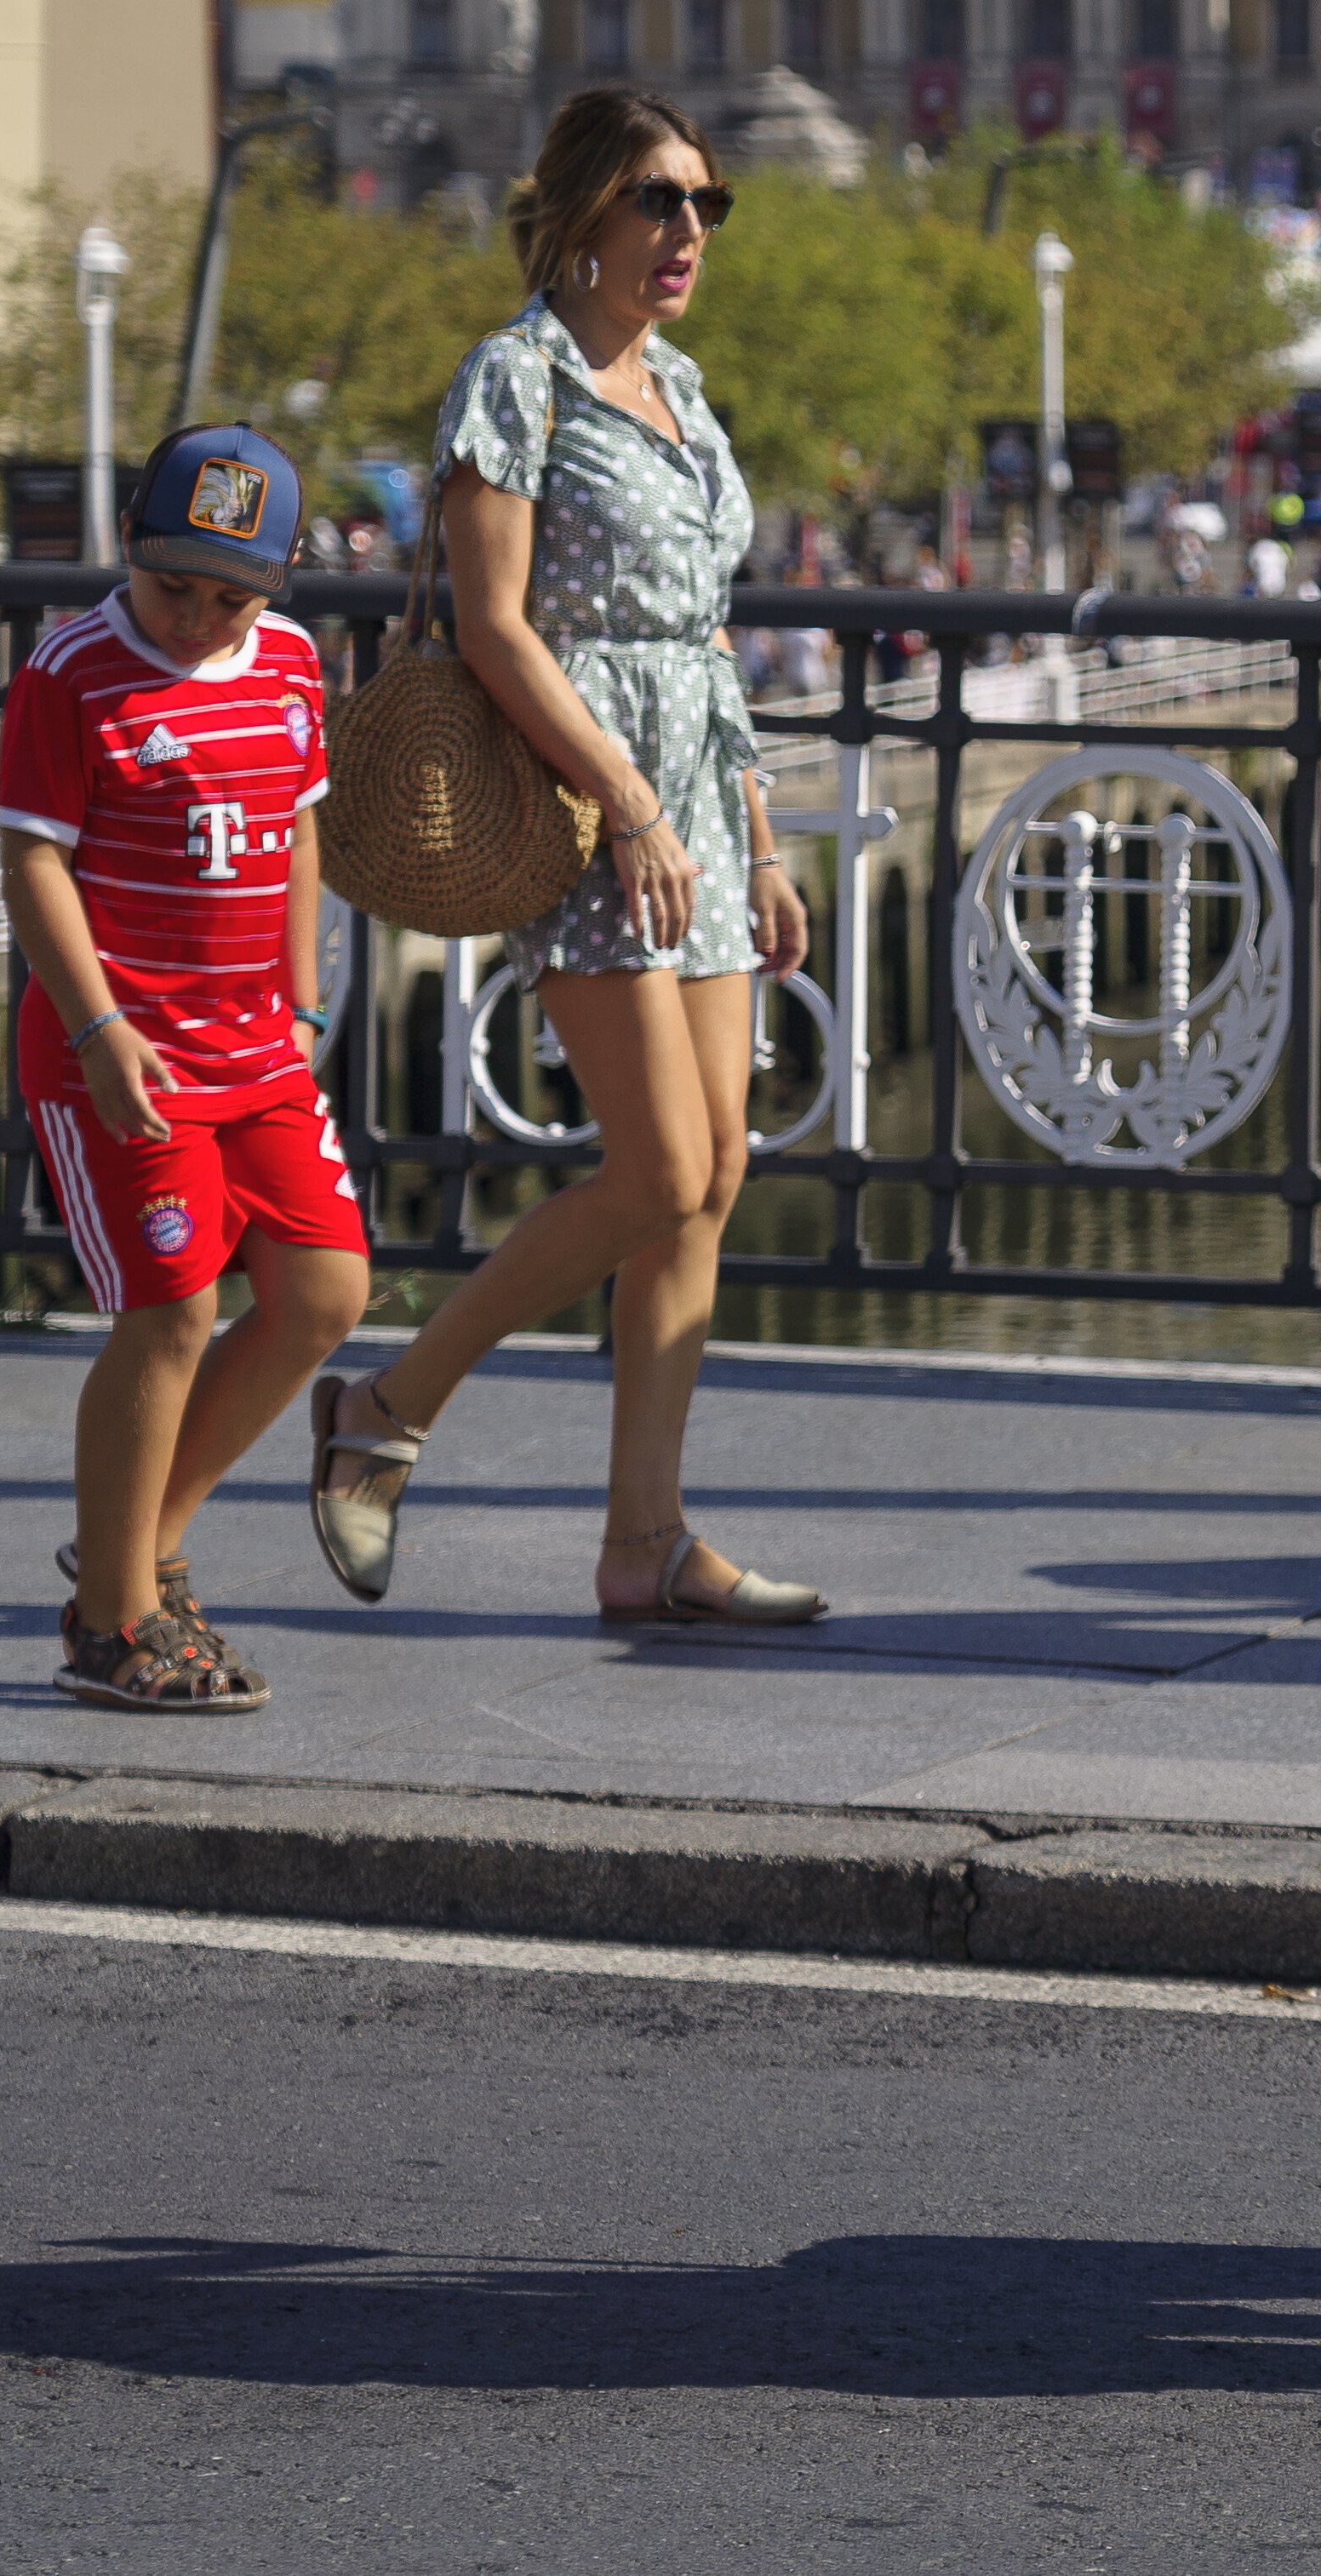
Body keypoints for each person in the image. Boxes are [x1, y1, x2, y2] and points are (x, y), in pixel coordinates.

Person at [303, 87, 827, 1628]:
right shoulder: (518, 380)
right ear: (586, 212)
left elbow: (706, 644)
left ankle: (643, 1542)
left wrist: (758, 837)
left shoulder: (680, 387)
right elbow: (495, 629)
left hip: (697, 817)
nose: (688, 234)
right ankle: (385, 1406)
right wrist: (640, 806)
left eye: (706, 206)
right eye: (660, 202)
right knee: (659, 1166)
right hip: (585, 808)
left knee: (712, 1179)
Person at [0, 424, 375, 1711]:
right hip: (127, 1048)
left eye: (235, 595)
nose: (207, 618)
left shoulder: (289, 665)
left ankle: (140, 1540)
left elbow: (298, 833)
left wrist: (308, 1008)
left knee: (325, 1288)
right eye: (178, 588)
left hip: (260, 1043)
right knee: (173, 1305)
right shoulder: (72, 670)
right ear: (131, 554)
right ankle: (111, 1623)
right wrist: (100, 1034)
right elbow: (34, 860)